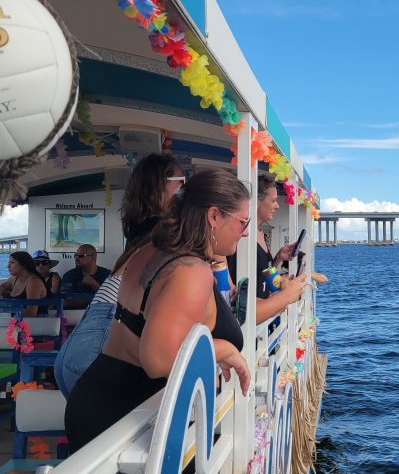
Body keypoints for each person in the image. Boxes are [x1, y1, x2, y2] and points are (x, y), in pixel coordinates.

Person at [64, 168, 252, 453]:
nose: (247, 231)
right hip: (128, 417)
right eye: (242, 221)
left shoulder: (150, 250)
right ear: (214, 216)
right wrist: (224, 349)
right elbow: (158, 359)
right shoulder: (191, 270)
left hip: (98, 399)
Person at [55, 153, 183, 399]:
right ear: (163, 185)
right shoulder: (163, 231)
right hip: (103, 333)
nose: (182, 189)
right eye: (180, 181)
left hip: (87, 332)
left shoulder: (141, 227)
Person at [255, 174, 306, 324]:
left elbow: (264, 272)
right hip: (254, 321)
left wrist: (278, 258)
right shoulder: (245, 238)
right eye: (273, 200)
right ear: (257, 201)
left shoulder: (260, 234)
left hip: (264, 315)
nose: (277, 205)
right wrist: (287, 295)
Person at [60, 244, 111, 308]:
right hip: (75, 315)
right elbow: (64, 302)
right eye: (75, 255)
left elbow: (112, 299)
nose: (76, 258)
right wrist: (94, 300)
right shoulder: (69, 275)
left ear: (93, 258)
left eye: (81, 256)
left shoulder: (107, 274)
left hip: (101, 313)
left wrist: (94, 284)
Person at [0, 251, 47, 317]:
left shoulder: (33, 282)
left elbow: (31, 314)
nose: (8, 266)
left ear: (23, 265)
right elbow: (2, 287)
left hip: (37, 324)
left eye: (12, 262)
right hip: (17, 321)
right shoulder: (14, 278)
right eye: (8, 263)